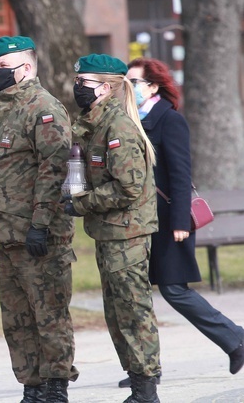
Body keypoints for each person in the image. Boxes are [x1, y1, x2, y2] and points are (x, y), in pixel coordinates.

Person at [120, 57, 243, 387]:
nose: (128, 88)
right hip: (140, 224)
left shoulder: (169, 120)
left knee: (174, 290)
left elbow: (180, 174)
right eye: (125, 82)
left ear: (153, 87)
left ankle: (235, 338)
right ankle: (146, 370)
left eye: (134, 82)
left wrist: (179, 223)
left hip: (168, 222)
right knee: (138, 294)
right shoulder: (129, 119)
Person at [0, 36, 78, 402]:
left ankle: (56, 387)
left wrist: (40, 224)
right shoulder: (5, 113)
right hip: (8, 238)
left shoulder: (42, 108)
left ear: (27, 68)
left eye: (4, 68)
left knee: (49, 317)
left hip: (39, 238)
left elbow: (54, 171)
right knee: (17, 323)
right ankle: (31, 387)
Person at [62, 53, 161, 403]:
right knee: (117, 313)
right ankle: (139, 382)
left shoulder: (117, 127)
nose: (78, 88)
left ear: (105, 88)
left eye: (84, 83)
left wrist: (80, 203)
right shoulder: (94, 124)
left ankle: (146, 391)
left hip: (127, 234)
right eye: (77, 82)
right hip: (109, 233)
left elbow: (127, 187)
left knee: (133, 312)